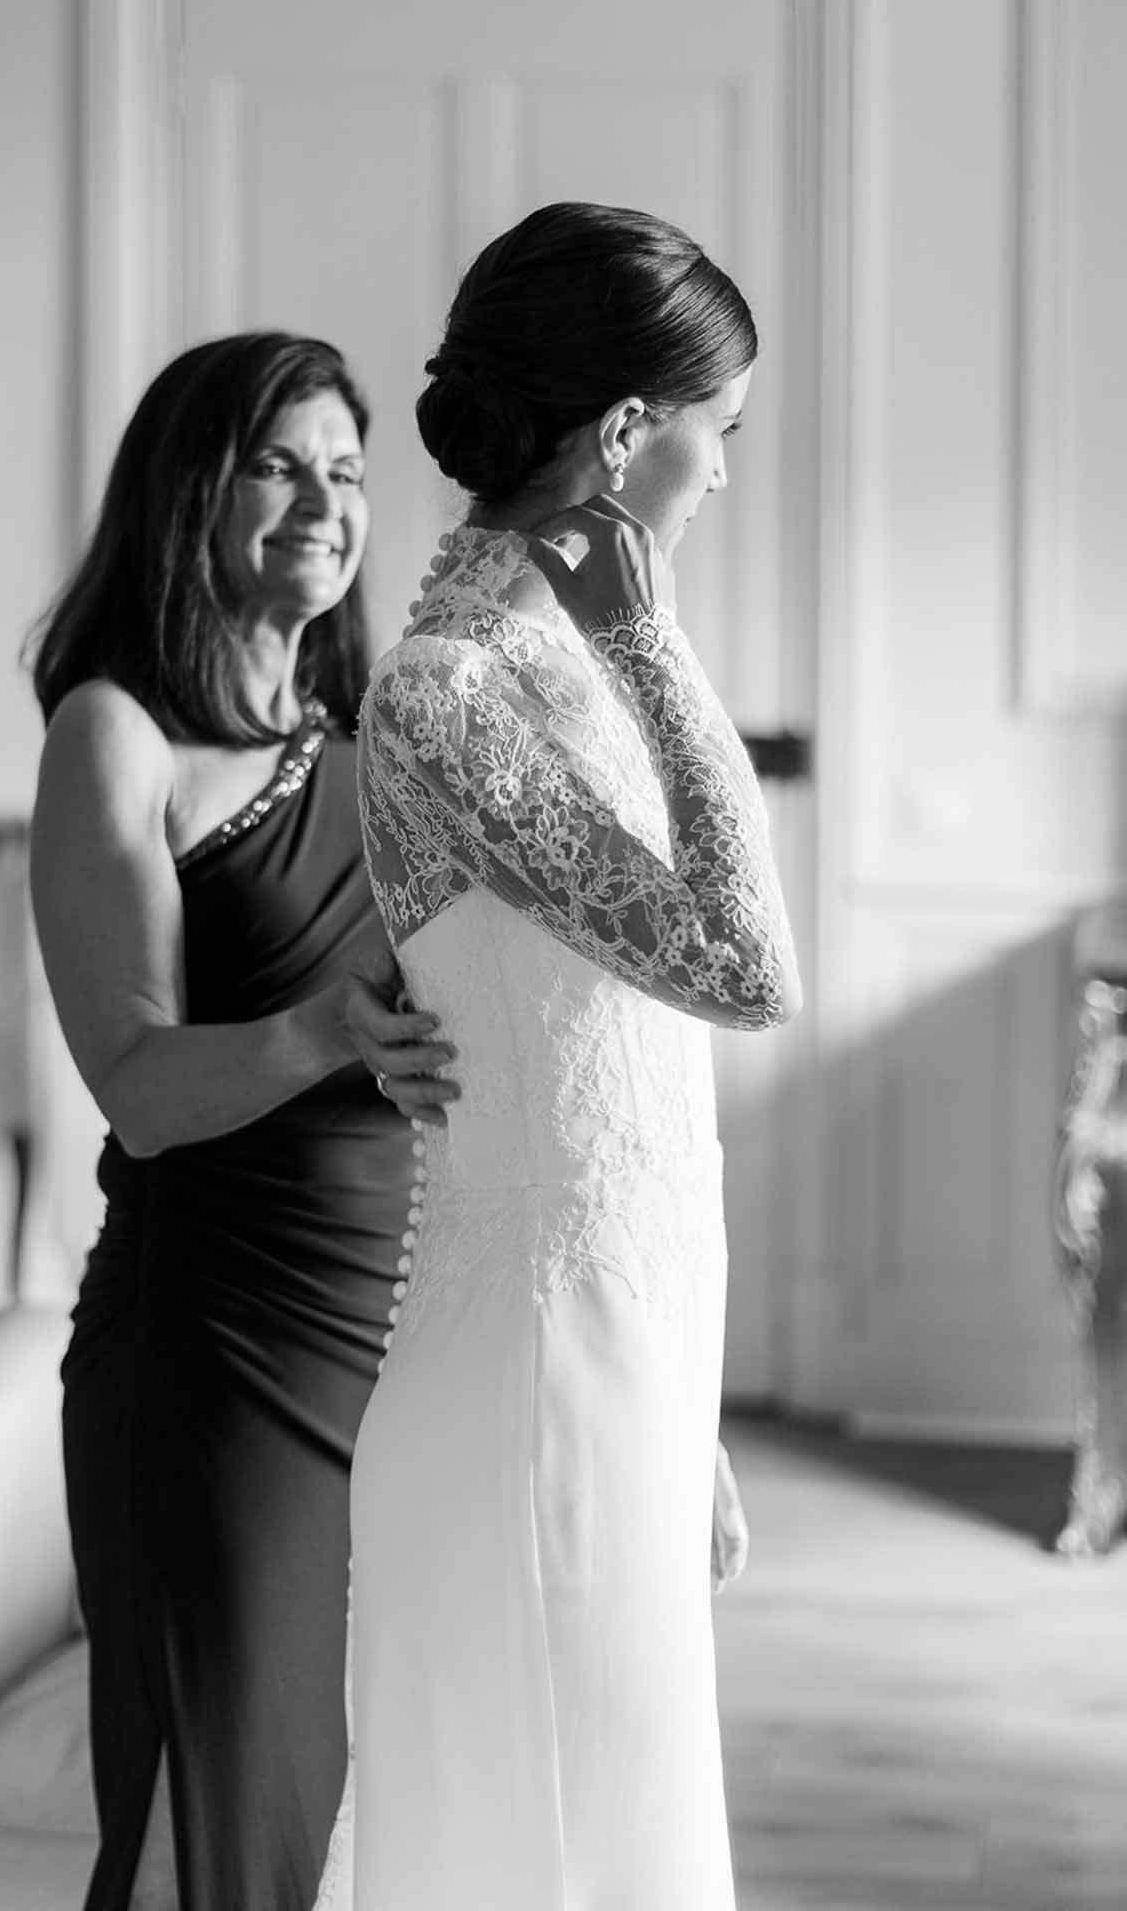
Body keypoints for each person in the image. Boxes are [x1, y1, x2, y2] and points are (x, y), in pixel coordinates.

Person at [319, 203, 801, 1909]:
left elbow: (627, 1083)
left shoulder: (545, 667)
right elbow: (744, 969)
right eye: (714, 435)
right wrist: (651, 640)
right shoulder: (451, 692)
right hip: (523, 1395)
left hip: (621, 1367)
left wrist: (691, 1422)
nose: (724, 476)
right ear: (621, 436)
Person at [26, 332, 456, 1911]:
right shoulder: (114, 737)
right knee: (214, 1818)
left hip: (391, 1339)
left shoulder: (366, 741)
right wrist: (319, 1029)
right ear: (189, 487)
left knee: (349, 1803)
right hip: (211, 1351)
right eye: (278, 463)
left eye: (345, 472)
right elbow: (137, 1089)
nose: (321, 505)